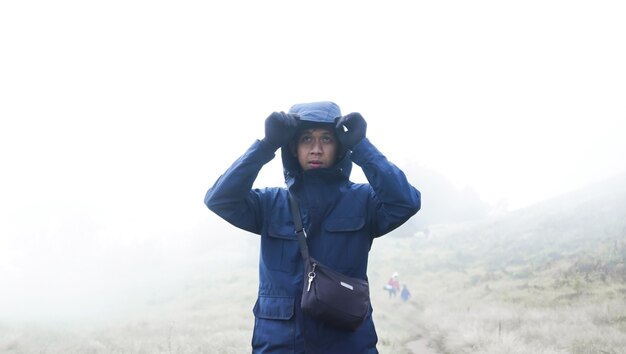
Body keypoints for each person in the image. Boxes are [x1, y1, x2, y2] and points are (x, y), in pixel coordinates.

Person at [204, 101, 421, 353]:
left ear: (340, 147)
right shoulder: (269, 204)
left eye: (326, 139)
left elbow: (406, 202)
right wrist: (266, 145)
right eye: (306, 139)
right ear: (293, 148)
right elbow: (219, 199)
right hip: (280, 343)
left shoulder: (363, 202)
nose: (316, 149)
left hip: (347, 343)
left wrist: (362, 147)